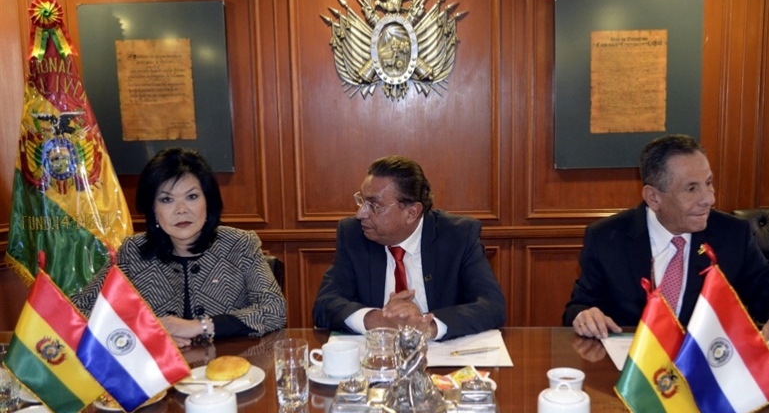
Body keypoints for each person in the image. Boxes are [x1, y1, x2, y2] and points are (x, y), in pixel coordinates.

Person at [563, 134, 769, 343]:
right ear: (653, 198)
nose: (709, 199)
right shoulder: (606, 237)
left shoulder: (732, 234)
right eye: (691, 189)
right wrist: (585, 315)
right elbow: (580, 305)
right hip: (631, 364)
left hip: (706, 363)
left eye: (708, 183)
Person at [73, 148, 286, 348]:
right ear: (153, 209)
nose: (181, 210)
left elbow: (274, 309)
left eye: (192, 197)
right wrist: (146, 329)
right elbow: (78, 310)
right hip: (158, 371)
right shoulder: (134, 251)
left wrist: (200, 326)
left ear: (208, 201)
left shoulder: (239, 244)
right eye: (167, 199)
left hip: (228, 367)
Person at [312, 155, 506, 340]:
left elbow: (492, 306)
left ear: (411, 212)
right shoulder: (353, 234)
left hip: (442, 357)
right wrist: (377, 320)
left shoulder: (458, 236)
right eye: (362, 201)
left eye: (374, 205)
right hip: (378, 356)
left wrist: (428, 325)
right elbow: (324, 305)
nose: (360, 214)